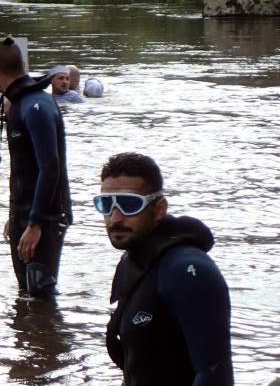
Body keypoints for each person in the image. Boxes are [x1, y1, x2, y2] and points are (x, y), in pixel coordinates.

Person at [97, 152, 233, 385]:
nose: (115, 217)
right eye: (106, 204)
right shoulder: (134, 261)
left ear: (159, 209)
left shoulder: (188, 272)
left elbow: (214, 375)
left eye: (130, 205)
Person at [0, 36, 72, 299]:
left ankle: (47, 338)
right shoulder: (20, 102)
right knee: (25, 294)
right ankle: (29, 340)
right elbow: (26, 169)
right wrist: (16, 216)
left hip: (44, 218)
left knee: (40, 294)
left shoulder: (35, 105)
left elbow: (50, 166)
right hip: (26, 214)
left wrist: (35, 222)